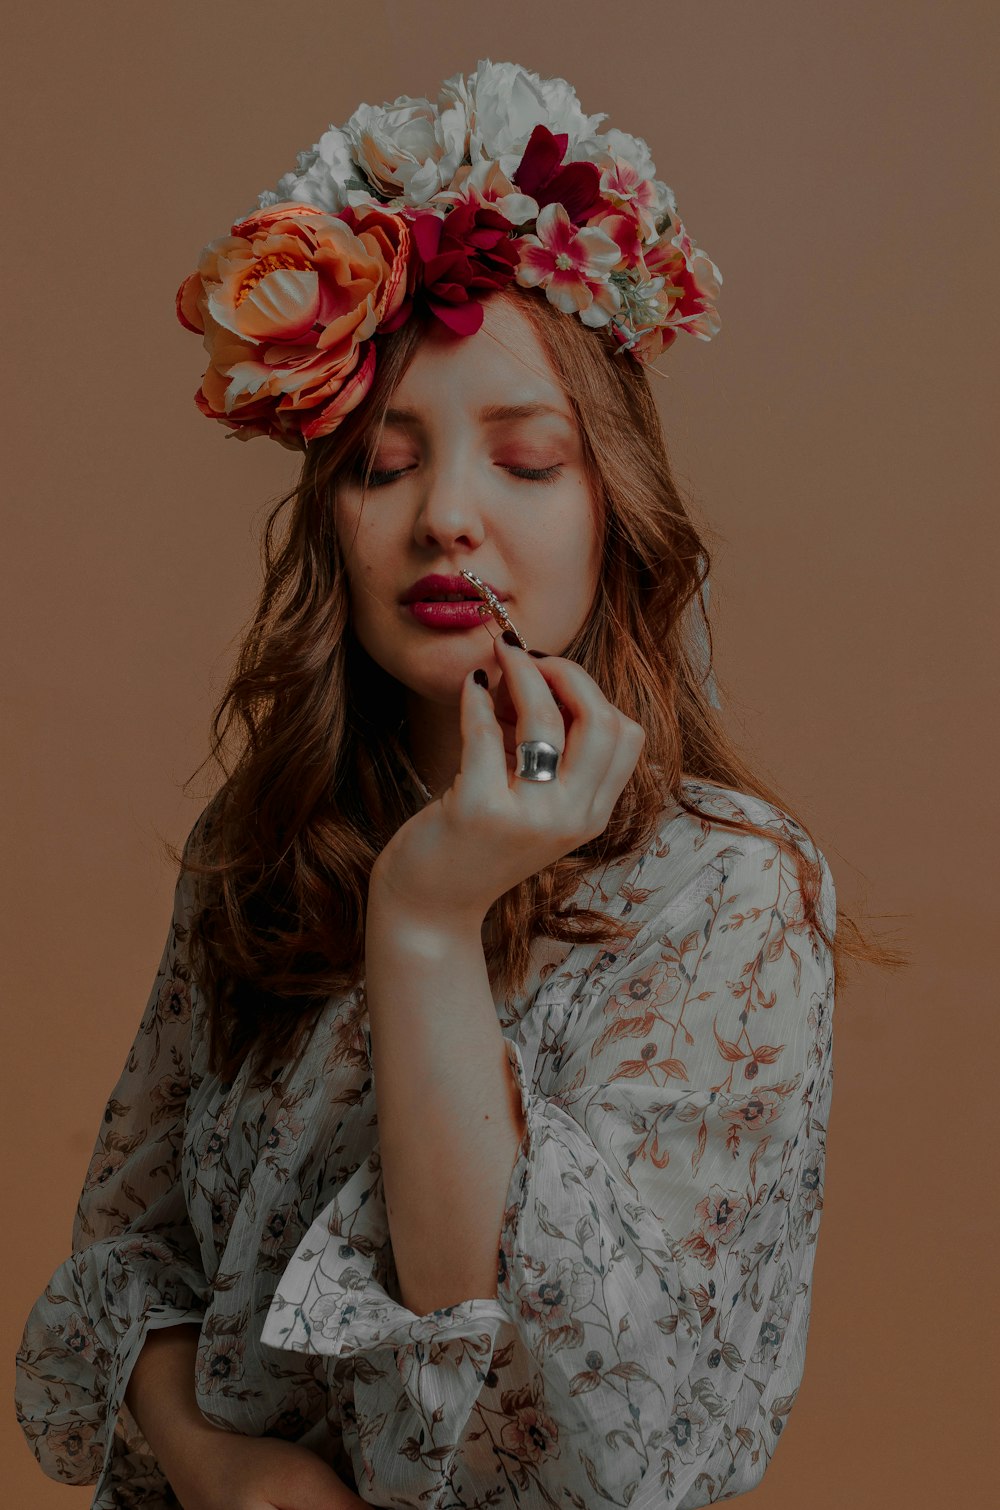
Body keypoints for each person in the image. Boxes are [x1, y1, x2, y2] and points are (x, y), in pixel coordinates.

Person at [15, 58, 895, 1510]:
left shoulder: (728, 893)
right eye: (382, 465)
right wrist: (217, 1462)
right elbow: (130, 1254)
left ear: (615, 507)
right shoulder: (263, 841)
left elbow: (562, 1425)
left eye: (526, 458)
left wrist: (427, 919)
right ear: (333, 521)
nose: (447, 519)